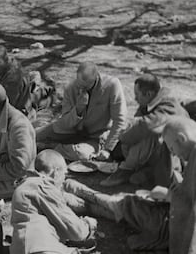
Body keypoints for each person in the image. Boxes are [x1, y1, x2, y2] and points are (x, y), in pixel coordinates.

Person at [66, 116, 196, 253]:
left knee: (134, 206)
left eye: (172, 148)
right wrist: (177, 186)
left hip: (172, 224)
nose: (173, 153)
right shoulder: (192, 154)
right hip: (172, 216)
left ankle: (88, 198)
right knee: (137, 207)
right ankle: (87, 203)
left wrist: (169, 195)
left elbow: (191, 208)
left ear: (181, 138)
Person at [101, 74, 189, 187]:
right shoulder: (152, 102)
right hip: (157, 155)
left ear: (148, 94)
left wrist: (123, 136)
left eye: (137, 95)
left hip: (172, 161)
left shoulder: (168, 106)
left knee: (151, 134)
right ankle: (145, 171)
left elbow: (143, 126)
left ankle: (126, 170)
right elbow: (136, 122)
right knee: (135, 176)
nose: (135, 98)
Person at [36, 62, 127, 162]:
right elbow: (65, 123)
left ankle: (51, 147)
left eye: (85, 87)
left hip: (96, 137)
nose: (80, 89)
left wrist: (108, 149)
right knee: (35, 136)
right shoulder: (70, 88)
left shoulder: (112, 85)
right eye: (78, 85)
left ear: (96, 78)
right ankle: (52, 146)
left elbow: (120, 120)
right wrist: (78, 110)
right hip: (72, 130)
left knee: (81, 155)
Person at [11, 149, 97, 254]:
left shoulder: (27, 185)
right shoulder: (42, 186)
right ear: (55, 172)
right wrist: (89, 224)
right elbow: (76, 230)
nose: (64, 179)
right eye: (64, 174)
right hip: (42, 249)